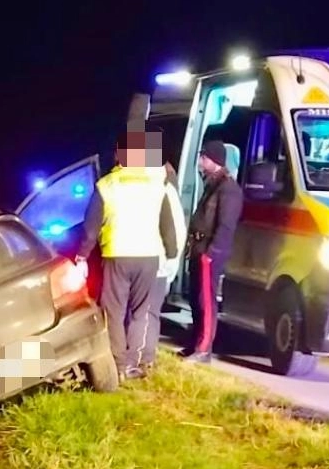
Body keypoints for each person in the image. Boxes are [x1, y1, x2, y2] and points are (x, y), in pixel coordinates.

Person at [77, 129, 178, 380]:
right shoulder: (157, 185)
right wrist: (172, 250)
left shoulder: (106, 185)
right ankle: (135, 362)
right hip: (148, 256)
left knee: (113, 310)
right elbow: (168, 224)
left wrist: (81, 256)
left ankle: (119, 365)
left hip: (117, 256)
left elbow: (91, 228)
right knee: (141, 311)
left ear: (119, 156)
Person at [181, 140, 243, 364]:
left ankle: (204, 349)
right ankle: (194, 344)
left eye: (203, 157)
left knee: (206, 301)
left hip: (209, 251)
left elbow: (226, 226)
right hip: (199, 248)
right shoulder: (213, 184)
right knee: (195, 299)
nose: (200, 161)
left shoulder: (228, 189)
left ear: (214, 160)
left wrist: (212, 252)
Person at [139, 161, 187, 372]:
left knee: (139, 313)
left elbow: (173, 233)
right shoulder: (164, 191)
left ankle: (134, 360)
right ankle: (142, 359)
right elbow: (176, 232)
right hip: (153, 262)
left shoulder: (153, 190)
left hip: (144, 261)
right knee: (146, 313)